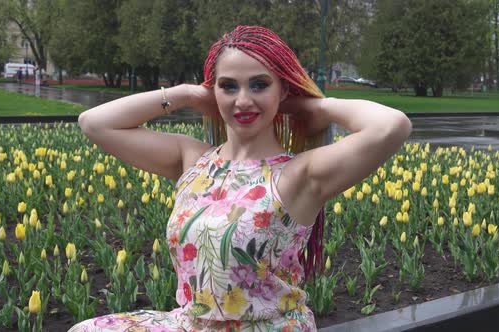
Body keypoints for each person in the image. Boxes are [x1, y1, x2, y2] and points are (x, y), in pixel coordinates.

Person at [72, 25, 411, 331]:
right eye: (228, 86)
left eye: (260, 85)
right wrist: (187, 94)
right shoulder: (193, 160)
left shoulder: (298, 174)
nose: (243, 100)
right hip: (191, 324)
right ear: (213, 91)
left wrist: (312, 107)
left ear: (283, 90)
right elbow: (94, 122)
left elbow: (392, 126)